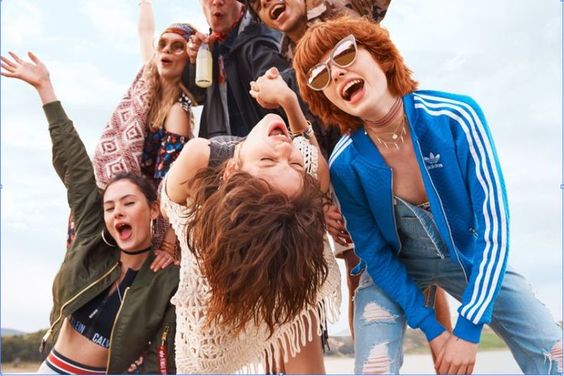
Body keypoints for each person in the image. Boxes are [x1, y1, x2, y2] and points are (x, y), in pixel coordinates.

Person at [293, 16, 563, 374]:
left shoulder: (456, 117)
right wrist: (433, 330)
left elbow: (494, 228)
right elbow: (373, 251)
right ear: (324, 97)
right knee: (374, 367)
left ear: (379, 55)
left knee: (554, 354)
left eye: (344, 55)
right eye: (321, 76)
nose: (337, 74)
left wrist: (468, 331)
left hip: (470, 256)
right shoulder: (345, 163)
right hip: (395, 267)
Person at [0, 51, 179, 374]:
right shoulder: (92, 242)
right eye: (109, 207)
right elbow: (77, 168)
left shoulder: (168, 278)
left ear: (154, 209)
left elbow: (160, 358)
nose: (116, 212)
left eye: (128, 203)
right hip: (51, 366)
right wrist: (45, 88)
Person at [162, 70, 341, 373]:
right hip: (215, 297)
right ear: (229, 173)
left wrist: (288, 100)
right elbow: (169, 206)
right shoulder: (199, 161)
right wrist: (287, 101)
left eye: (295, 163)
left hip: (284, 277)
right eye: (270, 162)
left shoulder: (292, 174)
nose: (286, 149)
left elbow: (316, 176)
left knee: (300, 304)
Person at [91, 1, 197, 262]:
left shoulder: (177, 113)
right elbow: (145, 32)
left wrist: (170, 242)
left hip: (143, 217)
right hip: (115, 200)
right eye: (163, 45)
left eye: (177, 47)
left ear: (188, 59)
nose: (166, 51)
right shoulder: (147, 84)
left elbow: (171, 185)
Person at [183, 0, 290, 138]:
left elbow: (282, 92)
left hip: (265, 146)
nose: (217, 2)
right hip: (222, 149)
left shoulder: (262, 36)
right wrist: (194, 63)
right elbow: (197, 96)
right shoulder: (210, 45)